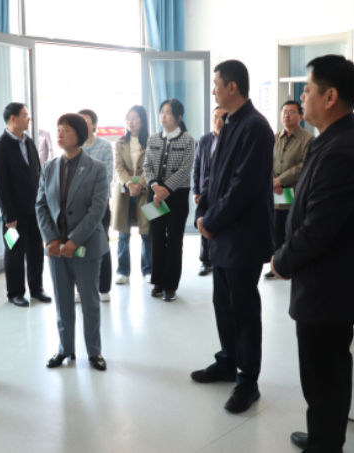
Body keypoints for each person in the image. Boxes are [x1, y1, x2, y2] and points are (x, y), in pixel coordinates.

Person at [271, 55, 354, 453]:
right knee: (325, 373)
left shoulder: (343, 149)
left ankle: (326, 445)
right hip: (327, 283)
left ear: (330, 96)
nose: (301, 97)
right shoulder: (337, 140)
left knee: (325, 376)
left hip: (329, 288)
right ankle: (323, 436)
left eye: (307, 90)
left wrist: (282, 260)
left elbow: (319, 229)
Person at [191, 60, 274, 414]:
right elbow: (213, 176)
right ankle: (227, 362)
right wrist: (202, 211)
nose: (213, 90)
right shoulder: (228, 122)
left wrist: (210, 219)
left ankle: (248, 381)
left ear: (232, 87)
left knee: (243, 311)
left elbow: (243, 186)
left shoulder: (256, 127)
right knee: (223, 304)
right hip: (221, 233)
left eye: (216, 84)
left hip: (242, 236)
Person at [36, 113, 109, 371]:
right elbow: (41, 205)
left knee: (90, 303)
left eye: (65, 129)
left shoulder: (97, 168)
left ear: (79, 135)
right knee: (63, 301)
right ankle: (64, 349)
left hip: (86, 247)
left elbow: (97, 210)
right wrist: (51, 239)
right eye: (58, 129)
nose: (59, 133)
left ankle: (94, 352)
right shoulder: (49, 167)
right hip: (56, 249)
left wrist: (74, 240)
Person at [0, 102, 52, 307]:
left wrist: (43, 204)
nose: (29, 119)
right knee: (14, 252)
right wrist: (9, 216)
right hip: (14, 215)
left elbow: (37, 174)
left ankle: (37, 289)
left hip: (34, 210)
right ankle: (15, 292)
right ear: (13, 118)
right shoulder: (0, 147)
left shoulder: (29, 142)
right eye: (25, 115)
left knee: (35, 250)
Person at [143, 99, 196, 302]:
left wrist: (165, 189)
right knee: (156, 237)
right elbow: (147, 166)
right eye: (162, 112)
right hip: (154, 194)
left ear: (179, 117)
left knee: (174, 239)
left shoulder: (188, 140)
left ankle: (170, 285)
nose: (163, 116)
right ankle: (157, 281)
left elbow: (186, 168)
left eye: (168, 112)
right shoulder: (153, 138)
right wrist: (155, 187)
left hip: (177, 195)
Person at [264, 100, 314, 279]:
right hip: (277, 192)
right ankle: (277, 265)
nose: (286, 115)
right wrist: (273, 181)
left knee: (294, 230)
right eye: (284, 111)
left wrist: (280, 180)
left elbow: (303, 165)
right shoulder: (274, 137)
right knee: (276, 230)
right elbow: (266, 161)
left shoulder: (308, 139)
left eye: (291, 112)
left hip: (296, 192)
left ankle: (294, 265)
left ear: (300, 116)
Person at [111, 105, 152, 283]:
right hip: (124, 192)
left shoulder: (152, 142)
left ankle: (148, 270)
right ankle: (123, 271)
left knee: (147, 232)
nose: (130, 121)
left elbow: (151, 166)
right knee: (123, 233)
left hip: (146, 191)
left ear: (142, 121)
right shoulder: (120, 142)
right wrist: (129, 184)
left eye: (134, 118)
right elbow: (119, 166)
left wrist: (140, 184)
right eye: (128, 118)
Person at [77, 109, 114, 302]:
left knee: (102, 243)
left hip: (99, 204)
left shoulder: (105, 146)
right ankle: (81, 288)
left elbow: (107, 176)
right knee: (78, 244)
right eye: (79, 121)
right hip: (77, 205)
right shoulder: (73, 146)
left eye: (86, 120)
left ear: (94, 125)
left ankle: (104, 287)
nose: (82, 124)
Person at [192, 106, 227, 277]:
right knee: (203, 222)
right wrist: (196, 190)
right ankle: (205, 261)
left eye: (222, 118)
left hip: (224, 190)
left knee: (221, 223)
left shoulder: (231, 139)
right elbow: (197, 166)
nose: (218, 121)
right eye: (215, 117)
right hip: (205, 190)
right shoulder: (205, 139)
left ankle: (219, 259)